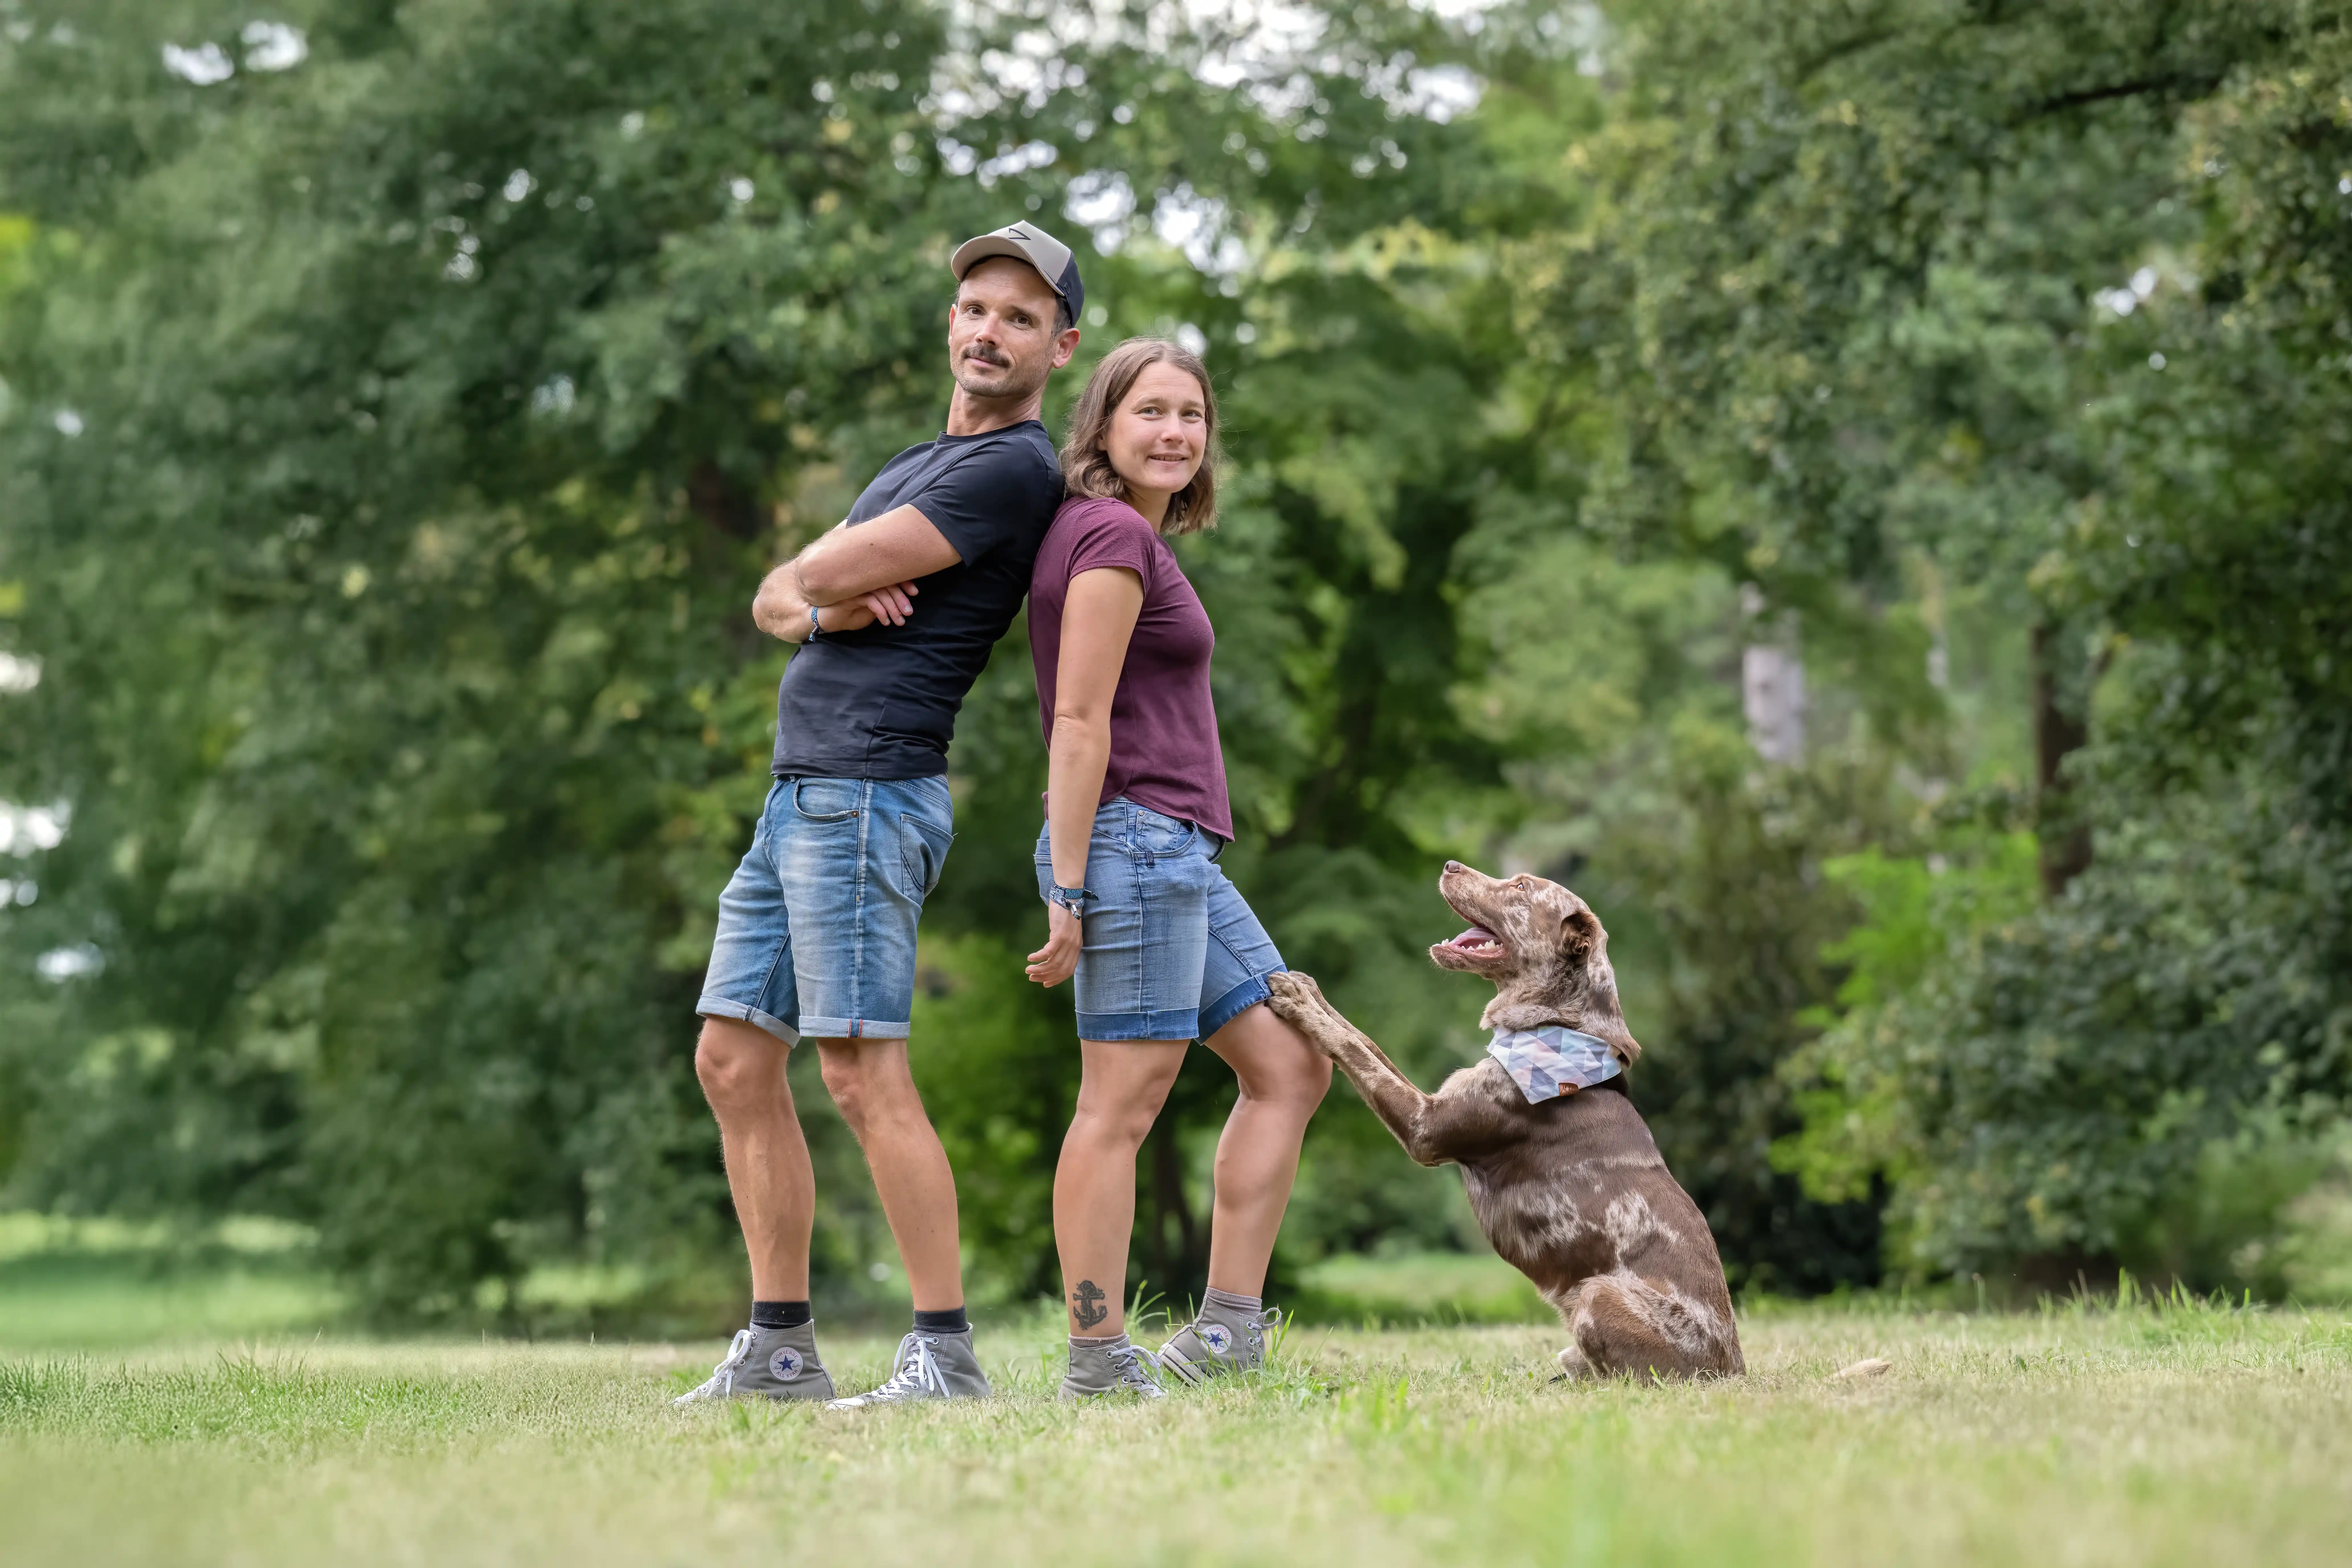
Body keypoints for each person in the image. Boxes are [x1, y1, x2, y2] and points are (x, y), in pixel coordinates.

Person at [675, 222, 1083, 1409]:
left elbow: (813, 572)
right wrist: (819, 610)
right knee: (733, 1057)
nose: (988, 331)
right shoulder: (913, 461)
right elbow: (782, 590)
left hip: (865, 790)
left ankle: (945, 1352)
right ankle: (781, 1346)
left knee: (859, 1071)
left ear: (1058, 345)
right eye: (974, 309)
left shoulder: (1012, 470)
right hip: (798, 790)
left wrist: (815, 588)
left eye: (1018, 317)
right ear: (950, 323)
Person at [1025, 337, 1332, 1399]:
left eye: (1191, 416)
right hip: (1132, 844)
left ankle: (1226, 1335)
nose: (1174, 433)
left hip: (1172, 850)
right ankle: (1098, 1357)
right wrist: (1066, 887)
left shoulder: (1130, 539)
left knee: (1292, 1066)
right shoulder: (1108, 533)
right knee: (1120, 1107)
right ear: (1102, 427)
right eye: (1149, 412)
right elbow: (1077, 721)